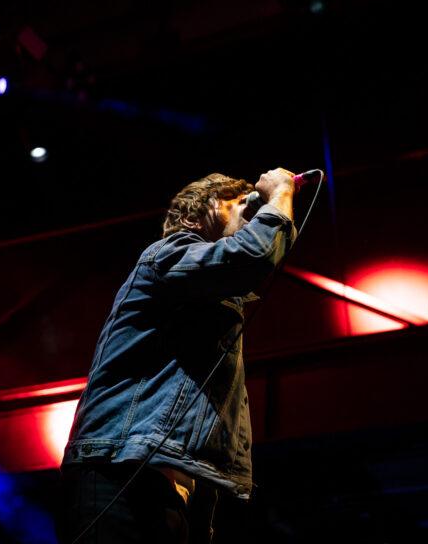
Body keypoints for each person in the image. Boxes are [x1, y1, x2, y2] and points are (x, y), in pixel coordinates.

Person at [59, 168, 297, 544]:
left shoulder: (213, 293)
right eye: (239, 203)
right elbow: (253, 255)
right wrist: (280, 193)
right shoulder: (167, 255)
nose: (251, 212)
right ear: (193, 216)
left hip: (177, 486)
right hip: (120, 470)